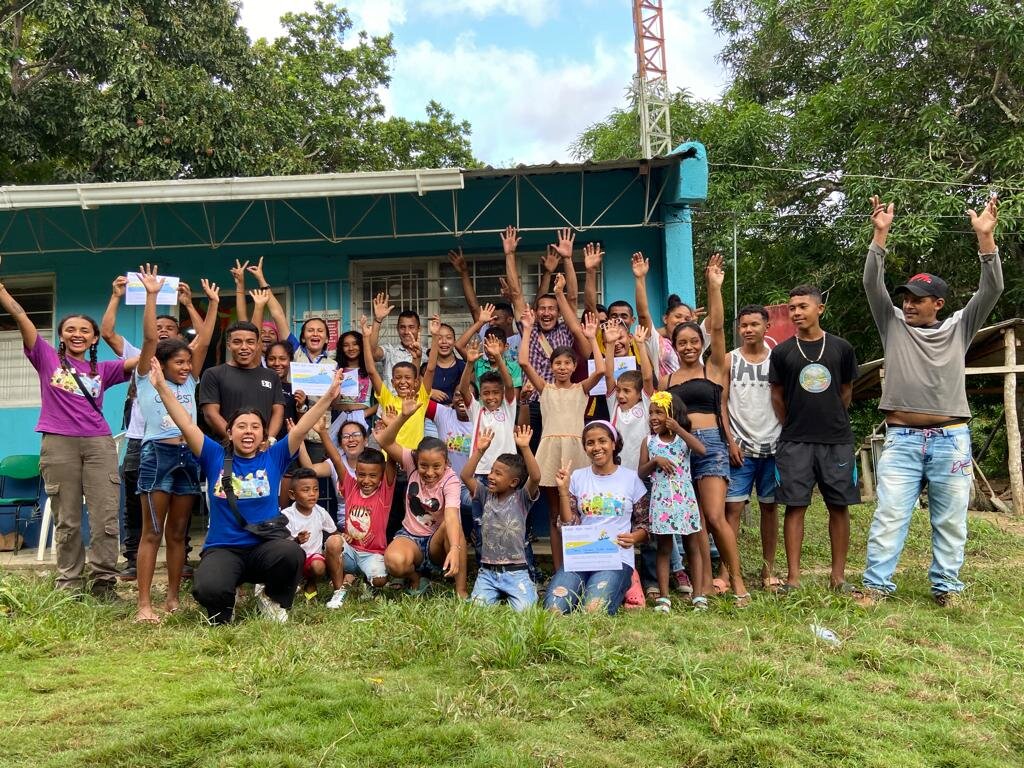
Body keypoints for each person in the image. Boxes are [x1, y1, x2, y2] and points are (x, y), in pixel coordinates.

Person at [860, 194, 1003, 607]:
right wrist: (880, 233)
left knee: (950, 519)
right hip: (902, 439)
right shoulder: (892, 326)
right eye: (905, 298)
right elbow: (872, 283)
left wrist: (985, 241)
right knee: (890, 515)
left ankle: (947, 589)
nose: (907, 304)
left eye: (917, 300)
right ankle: (876, 587)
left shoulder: (959, 328)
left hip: (950, 439)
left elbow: (992, 288)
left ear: (937, 304)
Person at [149, 363, 344, 624]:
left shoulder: (274, 458)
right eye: (241, 426)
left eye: (255, 426)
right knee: (207, 587)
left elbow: (300, 427)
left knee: (291, 554)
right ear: (230, 432)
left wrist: (329, 397)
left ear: (264, 434)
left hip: (265, 546)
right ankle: (223, 613)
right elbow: (185, 422)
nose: (248, 431)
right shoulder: (213, 455)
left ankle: (272, 598)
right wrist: (162, 387)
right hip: (224, 548)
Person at [1, 282, 137, 597]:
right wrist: (2, 292)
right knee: (68, 518)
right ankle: (70, 584)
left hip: (99, 444)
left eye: (85, 330)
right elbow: (22, 317)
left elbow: (145, 357)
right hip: (58, 443)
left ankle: (104, 582)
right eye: (71, 329)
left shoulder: (105, 369)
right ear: (61, 336)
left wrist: (118, 297)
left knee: (105, 515)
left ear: (93, 338)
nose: (78, 334)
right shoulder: (46, 357)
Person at [100, 275, 206, 580]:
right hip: (143, 441)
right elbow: (108, 332)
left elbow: (204, 337)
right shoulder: (141, 358)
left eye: (169, 329)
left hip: (182, 448)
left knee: (177, 514)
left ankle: (180, 560)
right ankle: (133, 559)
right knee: (138, 505)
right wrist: (124, 296)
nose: (162, 332)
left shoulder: (185, 371)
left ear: (178, 336)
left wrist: (192, 303)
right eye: (158, 328)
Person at [660, 254, 750, 606]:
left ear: (701, 344)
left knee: (714, 515)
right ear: (674, 344)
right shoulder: (668, 378)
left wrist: (714, 286)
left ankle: (737, 581)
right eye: (681, 342)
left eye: (693, 341)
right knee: (693, 519)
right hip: (681, 450)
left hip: (710, 444)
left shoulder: (714, 366)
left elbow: (717, 326)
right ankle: (704, 587)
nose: (688, 347)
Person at [132, 266, 218, 623]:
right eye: (179, 362)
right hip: (157, 455)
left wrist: (212, 304)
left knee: (179, 533)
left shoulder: (189, 381)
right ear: (161, 364)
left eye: (187, 362)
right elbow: (150, 338)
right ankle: (143, 605)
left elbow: (206, 340)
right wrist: (152, 295)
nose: (185, 367)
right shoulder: (148, 377)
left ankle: (171, 598)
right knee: (152, 532)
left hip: (187, 456)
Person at [769, 284, 859, 592]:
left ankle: (838, 577)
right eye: (792, 307)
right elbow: (777, 396)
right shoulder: (782, 352)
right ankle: (793, 579)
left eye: (802, 306)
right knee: (795, 506)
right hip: (795, 441)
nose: (796, 312)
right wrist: (793, 424)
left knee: (839, 505)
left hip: (836, 440)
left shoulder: (841, 348)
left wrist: (830, 418)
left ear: (819, 309)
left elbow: (846, 391)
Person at [519, 291, 606, 571]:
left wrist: (593, 338)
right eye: (557, 363)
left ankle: (582, 563)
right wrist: (528, 329)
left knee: (580, 509)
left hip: (576, 452)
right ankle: (560, 570)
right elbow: (523, 362)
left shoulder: (582, 388)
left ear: (574, 366)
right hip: (551, 451)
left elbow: (602, 371)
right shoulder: (544, 389)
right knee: (556, 513)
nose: (563, 367)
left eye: (567, 363)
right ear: (551, 367)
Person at [545, 421, 650, 615]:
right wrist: (563, 491)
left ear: (613, 443)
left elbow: (646, 524)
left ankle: (628, 581)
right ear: (585, 447)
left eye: (602, 441)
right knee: (554, 610)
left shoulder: (631, 478)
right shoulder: (577, 477)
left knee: (593, 610)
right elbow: (568, 526)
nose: (596, 447)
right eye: (590, 443)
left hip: (616, 559)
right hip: (580, 559)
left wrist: (635, 537)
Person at [378, 397, 467, 597]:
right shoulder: (409, 461)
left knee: (455, 527)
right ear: (416, 461)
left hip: (437, 544)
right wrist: (403, 417)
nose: (429, 472)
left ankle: (461, 591)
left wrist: (454, 548)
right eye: (423, 465)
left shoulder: (451, 479)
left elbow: (452, 516)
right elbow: (384, 441)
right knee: (394, 563)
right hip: (410, 537)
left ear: (446, 464)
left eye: (437, 466)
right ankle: (416, 578)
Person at [722, 304, 783, 592]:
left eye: (754, 324)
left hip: (773, 446)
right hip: (740, 450)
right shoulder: (729, 360)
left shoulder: (778, 359)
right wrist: (730, 441)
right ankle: (728, 570)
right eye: (744, 325)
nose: (748, 330)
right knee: (731, 511)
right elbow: (721, 403)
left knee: (769, 509)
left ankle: (768, 569)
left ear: (766, 327)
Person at [461, 425, 541, 610]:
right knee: (476, 610)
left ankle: (529, 588)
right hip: (487, 573)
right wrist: (480, 451)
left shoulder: (522, 498)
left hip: (516, 572)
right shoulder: (484, 494)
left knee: (524, 611)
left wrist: (525, 447)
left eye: (498, 473)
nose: (490, 476)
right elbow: (465, 476)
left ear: (513, 482)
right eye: (491, 471)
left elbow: (535, 477)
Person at [639, 391, 705, 612]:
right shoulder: (648, 441)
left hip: (684, 500)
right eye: (651, 413)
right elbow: (641, 472)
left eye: (659, 412)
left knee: (692, 546)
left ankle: (698, 596)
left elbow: (701, 450)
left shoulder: (683, 438)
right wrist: (655, 460)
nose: (653, 417)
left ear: (672, 414)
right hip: (661, 501)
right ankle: (664, 597)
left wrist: (679, 429)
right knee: (664, 548)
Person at [330, 446, 397, 606]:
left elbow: (392, 460)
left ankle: (366, 582)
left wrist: (386, 435)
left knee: (380, 580)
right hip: (350, 551)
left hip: (372, 554)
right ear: (355, 473)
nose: (366, 480)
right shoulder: (351, 487)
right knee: (333, 542)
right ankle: (339, 591)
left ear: (381, 476)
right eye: (361, 475)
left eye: (373, 476)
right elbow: (337, 460)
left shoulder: (384, 494)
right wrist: (323, 433)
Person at [198, 320, 285, 441]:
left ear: (257, 344)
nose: (244, 347)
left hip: (263, 450)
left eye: (250, 342)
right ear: (228, 345)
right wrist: (237, 440)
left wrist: (269, 440)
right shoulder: (213, 374)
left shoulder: (272, 376)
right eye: (237, 342)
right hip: (227, 450)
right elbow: (211, 414)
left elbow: (278, 412)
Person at [459, 335, 519, 480]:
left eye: (495, 393)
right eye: (486, 393)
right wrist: (469, 363)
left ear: (502, 394)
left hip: (507, 470)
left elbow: (509, 385)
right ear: (480, 396)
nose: (491, 397)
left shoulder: (507, 408)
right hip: (481, 470)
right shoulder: (477, 410)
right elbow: (463, 390)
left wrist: (498, 357)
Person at [281, 467, 344, 603]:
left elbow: (334, 533)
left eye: (315, 489)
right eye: (306, 490)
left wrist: (344, 537)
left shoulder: (320, 512)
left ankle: (311, 582)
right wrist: (297, 540)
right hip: (294, 559)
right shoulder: (287, 516)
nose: (312, 494)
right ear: (292, 495)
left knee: (318, 566)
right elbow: (281, 545)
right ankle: (291, 585)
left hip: (314, 558)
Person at [455, 303, 524, 391]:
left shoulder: (514, 367)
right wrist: (480, 322)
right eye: (488, 345)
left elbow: (514, 398)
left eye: (496, 346)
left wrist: (497, 357)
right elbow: (459, 345)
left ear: (506, 346)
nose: (492, 350)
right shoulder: (478, 364)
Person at [367, 292, 422, 395]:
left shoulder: (426, 356)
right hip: (387, 408)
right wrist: (378, 320)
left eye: (411, 327)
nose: (406, 332)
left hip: (413, 409)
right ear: (397, 329)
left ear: (419, 329)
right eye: (402, 327)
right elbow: (372, 353)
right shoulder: (390, 350)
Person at [334, 330, 376, 428]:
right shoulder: (336, 368)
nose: (351, 348)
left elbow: (382, 399)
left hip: (363, 417)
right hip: (338, 416)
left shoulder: (370, 369)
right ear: (341, 348)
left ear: (361, 346)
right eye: (346, 345)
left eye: (355, 344)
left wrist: (364, 414)